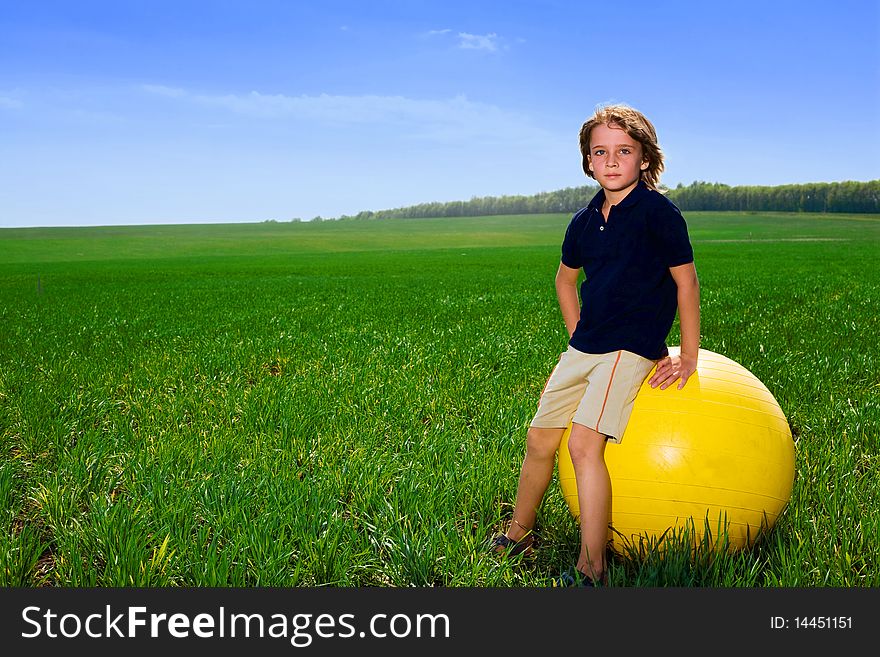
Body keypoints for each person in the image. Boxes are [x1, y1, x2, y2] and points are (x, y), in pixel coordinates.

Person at [491, 104, 700, 586]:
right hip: (585, 347)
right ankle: (519, 531)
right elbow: (565, 281)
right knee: (539, 438)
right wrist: (577, 335)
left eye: (624, 151)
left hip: (632, 346)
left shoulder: (659, 214)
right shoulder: (584, 221)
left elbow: (686, 283)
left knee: (584, 444)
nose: (611, 161)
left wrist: (687, 355)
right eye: (600, 152)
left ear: (645, 158)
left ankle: (592, 568)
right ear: (587, 161)